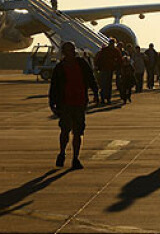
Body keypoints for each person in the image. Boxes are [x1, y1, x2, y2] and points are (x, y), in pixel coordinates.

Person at [49, 41, 99, 169]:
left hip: (79, 102)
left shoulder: (81, 64)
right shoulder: (60, 67)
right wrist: (52, 103)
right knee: (65, 131)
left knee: (77, 132)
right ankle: (63, 153)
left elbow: (90, 78)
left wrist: (96, 92)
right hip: (65, 103)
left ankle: (75, 158)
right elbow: (54, 86)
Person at [94, 39, 122, 103]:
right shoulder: (110, 50)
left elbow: (119, 60)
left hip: (108, 69)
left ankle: (106, 98)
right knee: (105, 84)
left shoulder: (113, 50)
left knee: (106, 84)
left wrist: (117, 67)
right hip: (105, 69)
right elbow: (99, 59)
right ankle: (105, 98)